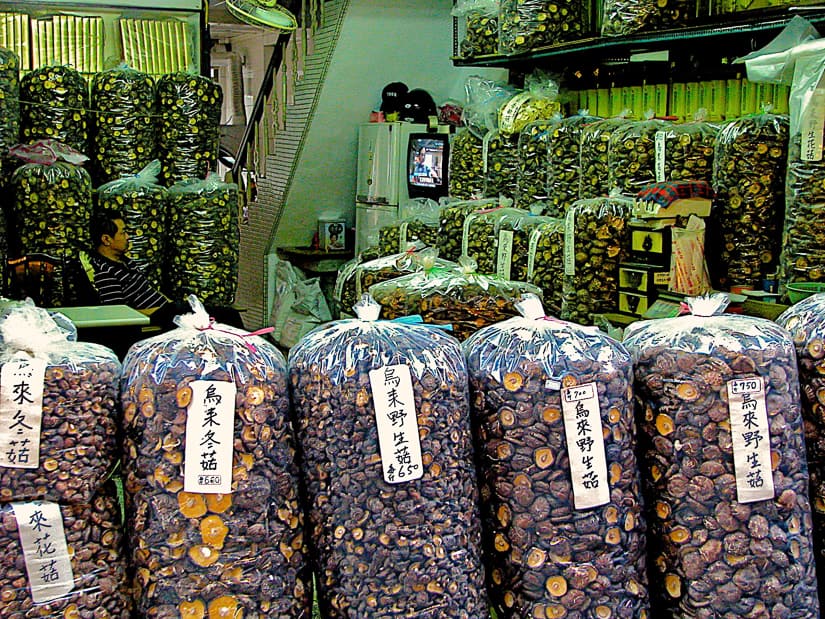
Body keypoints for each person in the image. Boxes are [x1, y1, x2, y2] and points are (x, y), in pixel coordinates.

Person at [88, 208, 243, 330]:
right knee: (226, 317)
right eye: (123, 233)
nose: (128, 237)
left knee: (228, 315)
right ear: (106, 239)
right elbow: (120, 314)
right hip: (157, 318)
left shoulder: (125, 261)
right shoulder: (105, 272)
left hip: (167, 310)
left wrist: (170, 304)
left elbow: (149, 291)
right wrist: (165, 312)